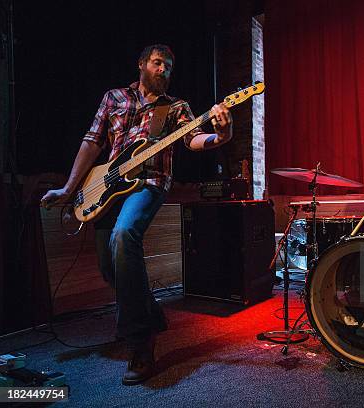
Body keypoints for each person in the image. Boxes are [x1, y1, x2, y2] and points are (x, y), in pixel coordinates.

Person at [40, 44, 233, 385]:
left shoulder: (176, 107)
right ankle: (152, 315)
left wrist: (221, 134)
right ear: (142, 64)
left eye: (169, 67)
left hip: (150, 182)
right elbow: (92, 142)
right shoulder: (114, 98)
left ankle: (140, 342)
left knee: (123, 234)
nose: (164, 70)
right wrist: (69, 190)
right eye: (159, 63)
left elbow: (192, 139)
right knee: (109, 265)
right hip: (105, 186)